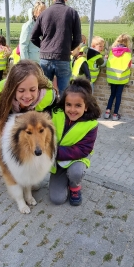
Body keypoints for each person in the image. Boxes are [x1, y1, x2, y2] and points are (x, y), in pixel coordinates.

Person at [49, 78, 101, 206]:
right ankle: (64, 179)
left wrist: (53, 152)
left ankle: (74, 186)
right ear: (64, 103)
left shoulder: (91, 124)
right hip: (58, 161)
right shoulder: (55, 113)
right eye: (69, 105)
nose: (72, 109)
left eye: (78, 105)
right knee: (57, 199)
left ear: (86, 107)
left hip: (77, 159)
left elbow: (83, 149)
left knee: (76, 172)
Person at [0, 59, 57, 144]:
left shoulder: (48, 95)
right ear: (13, 88)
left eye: (32, 90)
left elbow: (53, 111)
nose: (27, 96)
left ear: (39, 86)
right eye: (21, 90)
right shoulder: (2, 90)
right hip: (7, 120)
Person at [31, 0, 81, 97]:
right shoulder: (72, 13)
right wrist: (67, 48)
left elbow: (33, 37)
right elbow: (78, 39)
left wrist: (44, 47)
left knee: (43, 91)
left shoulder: (43, 14)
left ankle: (45, 114)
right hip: (63, 58)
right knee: (64, 93)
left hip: (45, 58)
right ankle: (62, 114)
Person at [104, 34, 132, 121]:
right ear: (127, 42)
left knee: (112, 95)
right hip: (122, 78)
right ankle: (115, 115)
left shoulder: (112, 51)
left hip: (112, 77)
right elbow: (129, 65)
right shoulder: (127, 53)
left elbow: (108, 61)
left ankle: (107, 113)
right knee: (118, 96)